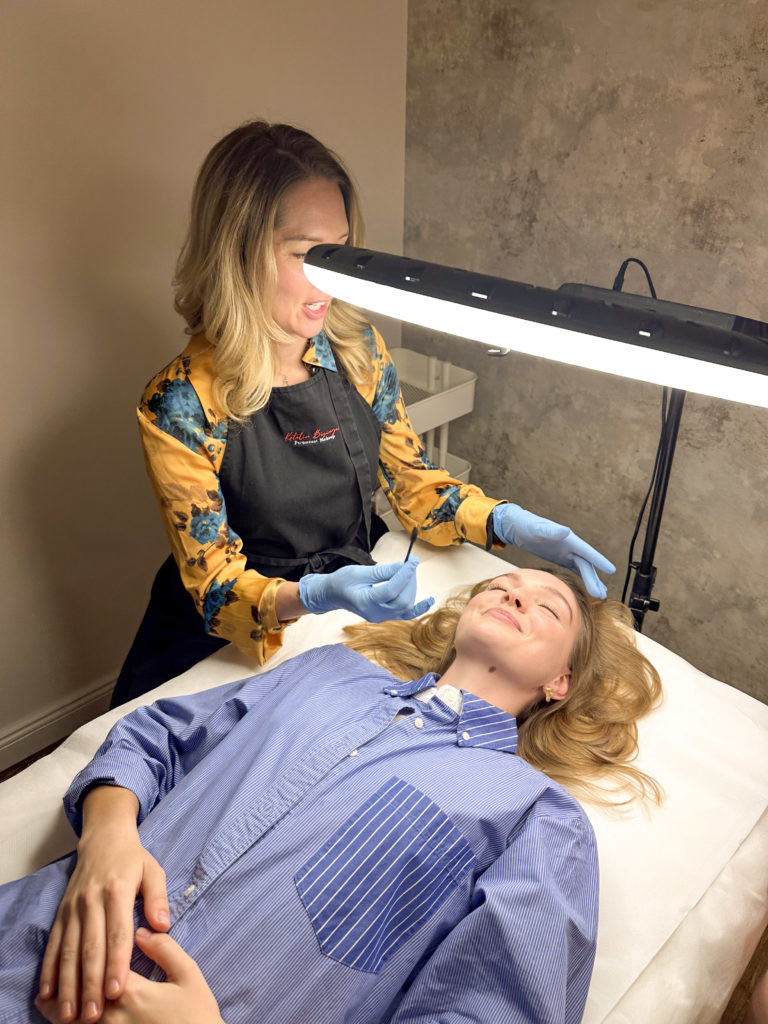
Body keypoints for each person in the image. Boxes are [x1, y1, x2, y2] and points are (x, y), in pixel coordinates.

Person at [0, 568, 661, 1024]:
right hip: (24, 945)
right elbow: (157, 738)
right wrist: (108, 834)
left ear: (560, 684)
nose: (514, 596)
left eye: (547, 608)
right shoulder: (327, 670)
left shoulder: (536, 816)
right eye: (501, 585)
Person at [111, 119, 616, 705]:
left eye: (339, 252)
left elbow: (417, 491)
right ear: (237, 253)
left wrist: (506, 521)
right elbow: (217, 590)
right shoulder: (182, 402)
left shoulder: (357, 351)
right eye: (304, 254)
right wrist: (316, 595)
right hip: (227, 638)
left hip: (349, 596)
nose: (330, 279)